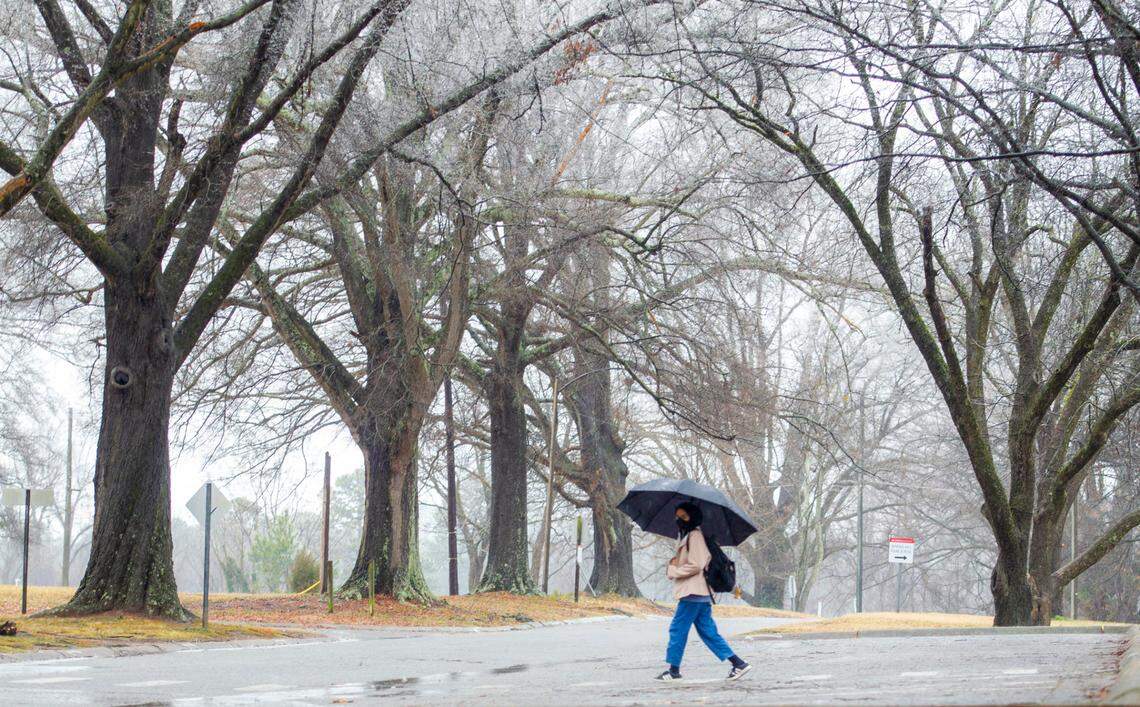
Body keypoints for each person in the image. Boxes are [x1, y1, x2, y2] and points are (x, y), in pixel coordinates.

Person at [655, 501, 752, 682]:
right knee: (708, 632)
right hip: (699, 594)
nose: (680, 519)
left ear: (693, 516)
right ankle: (738, 663)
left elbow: (697, 564)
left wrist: (673, 571)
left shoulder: (694, 536)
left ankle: (674, 671)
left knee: (678, 629)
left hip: (693, 592)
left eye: (684, 516)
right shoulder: (689, 536)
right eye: (678, 516)